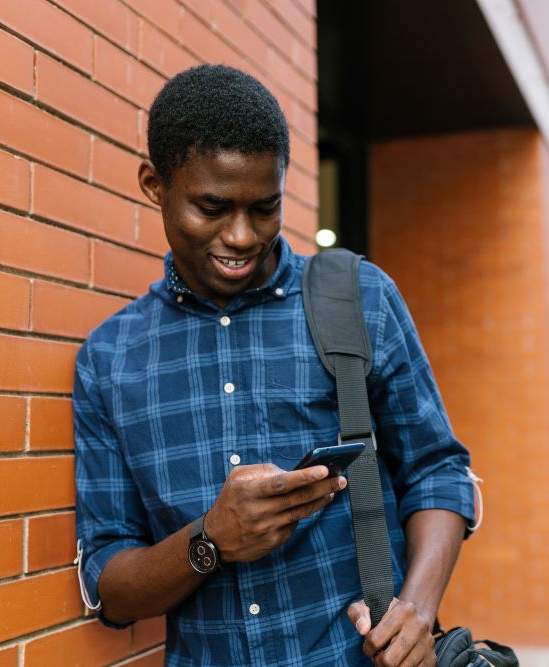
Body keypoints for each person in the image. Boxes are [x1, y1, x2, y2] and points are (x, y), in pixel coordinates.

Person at [74, 64, 476, 667]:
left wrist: (415, 611)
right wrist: (209, 541)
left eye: (265, 208)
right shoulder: (110, 360)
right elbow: (111, 584)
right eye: (212, 207)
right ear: (154, 185)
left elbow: (438, 471)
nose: (241, 236)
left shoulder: (358, 297)